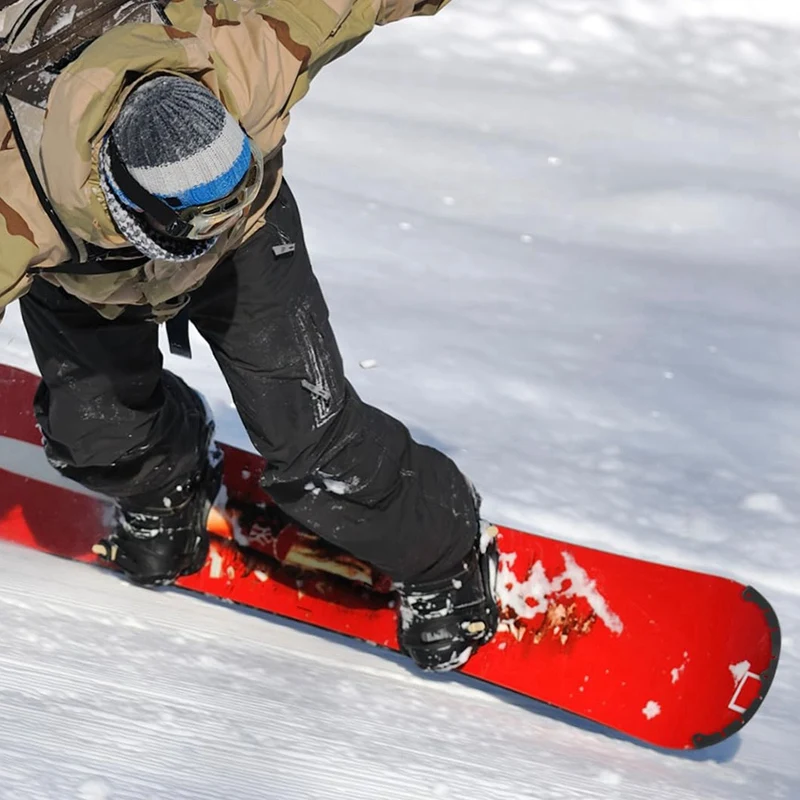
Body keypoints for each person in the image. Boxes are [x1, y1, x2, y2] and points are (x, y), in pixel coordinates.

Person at [0, 0, 498, 672]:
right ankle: (164, 483)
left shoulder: (238, 50)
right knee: (98, 438)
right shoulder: (14, 202)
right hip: (86, 283)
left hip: (250, 246)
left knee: (314, 441)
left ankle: (445, 552)